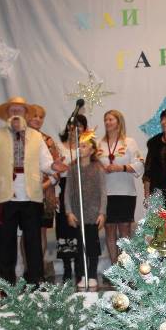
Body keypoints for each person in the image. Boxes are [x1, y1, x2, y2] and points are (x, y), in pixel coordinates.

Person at [0, 96, 67, 284]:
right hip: (6, 195)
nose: (16, 113)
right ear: (8, 113)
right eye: (13, 110)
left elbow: (46, 163)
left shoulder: (37, 137)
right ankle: (7, 284)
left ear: (25, 114)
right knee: (6, 241)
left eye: (20, 110)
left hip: (31, 194)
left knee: (33, 241)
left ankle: (35, 281)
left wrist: (53, 166)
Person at [97, 109, 144, 264]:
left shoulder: (129, 142)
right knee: (109, 229)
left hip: (125, 192)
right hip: (106, 193)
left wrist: (121, 168)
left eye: (111, 119)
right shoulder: (99, 144)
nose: (107, 122)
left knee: (125, 229)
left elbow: (139, 164)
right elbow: (93, 166)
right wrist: (100, 169)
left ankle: (126, 267)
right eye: (106, 120)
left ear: (119, 122)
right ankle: (114, 266)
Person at [65, 130, 106, 289]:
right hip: (77, 214)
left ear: (92, 150)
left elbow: (103, 191)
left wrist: (102, 212)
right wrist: (69, 212)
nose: (80, 149)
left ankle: (93, 274)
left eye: (84, 146)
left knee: (92, 246)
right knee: (80, 247)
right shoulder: (72, 169)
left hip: (93, 214)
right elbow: (68, 191)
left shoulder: (98, 168)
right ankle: (82, 275)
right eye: (79, 146)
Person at [27, 104, 61, 277]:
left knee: (41, 231)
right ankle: (28, 269)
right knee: (27, 231)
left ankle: (38, 268)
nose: (38, 120)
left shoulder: (48, 141)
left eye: (41, 117)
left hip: (45, 193)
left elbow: (57, 169)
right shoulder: (20, 137)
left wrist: (45, 186)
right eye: (35, 116)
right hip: (24, 193)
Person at [56, 114, 88, 280]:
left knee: (80, 229)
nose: (75, 128)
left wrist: (69, 168)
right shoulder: (59, 147)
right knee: (64, 228)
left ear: (84, 129)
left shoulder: (86, 147)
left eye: (80, 125)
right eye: (73, 125)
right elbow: (55, 169)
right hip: (64, 188)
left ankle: (80, 267)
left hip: (83, 189)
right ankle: (67, 268)